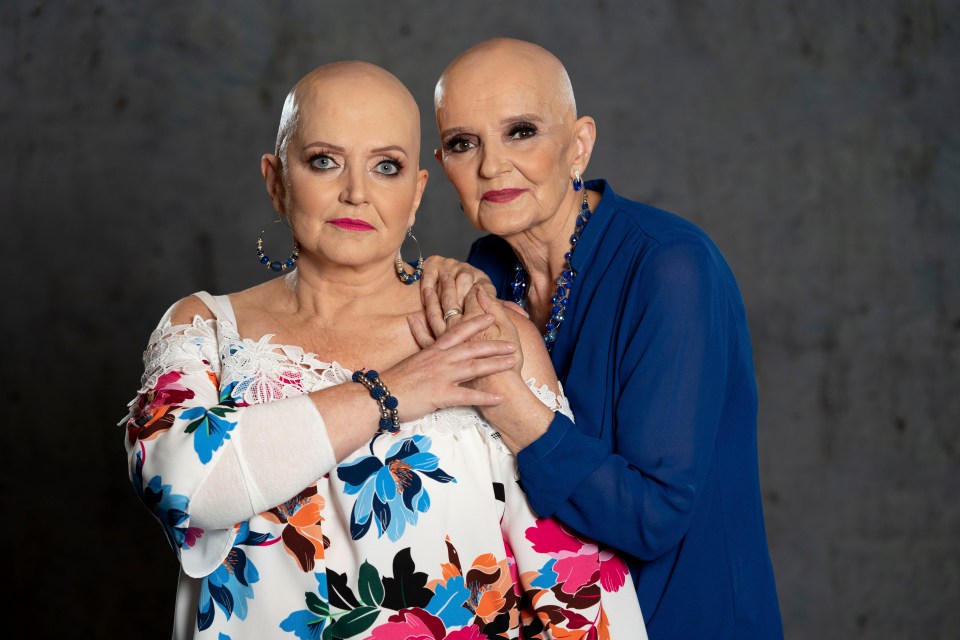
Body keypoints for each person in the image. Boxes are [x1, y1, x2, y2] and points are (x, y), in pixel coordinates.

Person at [123, 61, 646, 639]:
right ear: (276, 180)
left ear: (416, 192)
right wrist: (394, 390)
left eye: (386, 167)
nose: (356, 192)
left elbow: (578, 588)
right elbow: (183, 485)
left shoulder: (484, 328)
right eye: (324, 161)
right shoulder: (205, 328)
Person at [419, 38, 784, 639]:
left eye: (521, 132)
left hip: (686, 620)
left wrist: (511, 405)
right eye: (464, 143)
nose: (490, 166)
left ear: (579, 144)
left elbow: (654, 516)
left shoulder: (670, 266)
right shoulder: (487, 266)